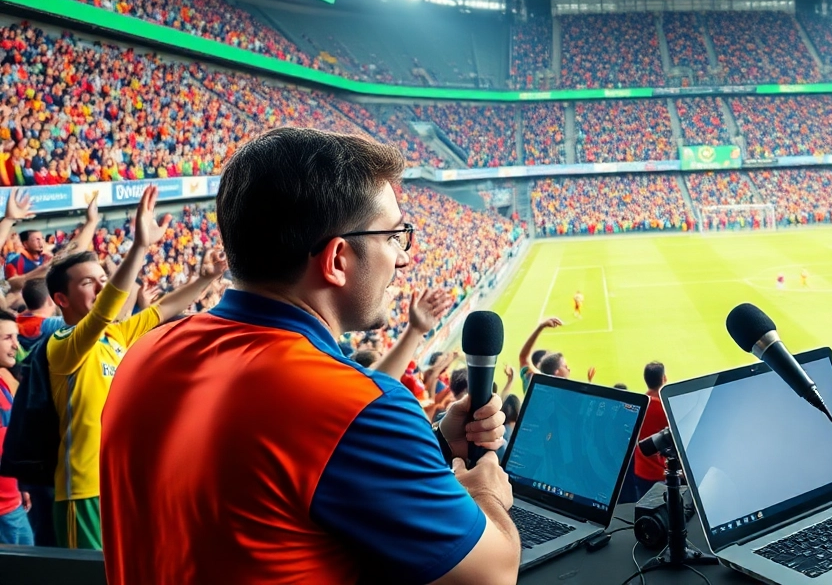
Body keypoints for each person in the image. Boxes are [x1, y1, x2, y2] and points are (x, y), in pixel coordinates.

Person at [101, 128, 520, 584]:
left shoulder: (145, 353)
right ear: (337, 258)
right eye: (394, 236)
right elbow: (492, 574)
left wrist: (435, 445)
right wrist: (487, 494)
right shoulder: (354, 404)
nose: (402, 258)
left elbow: (255, 490)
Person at [46, 186, 226, 549]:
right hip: (83, 490)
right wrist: (140, 247)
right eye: (88, 282)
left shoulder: (116, 337)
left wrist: (205, 279)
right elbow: (105, 309)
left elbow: (161, 310)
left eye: (103, 278)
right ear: (61, 299)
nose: (101, 286)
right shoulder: (62, 345)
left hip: (120, 483)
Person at [0, 308, 32, 545]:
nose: (16, 347)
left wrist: (19, 484)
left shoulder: (3, 382)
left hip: (12, 500)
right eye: (7, 338)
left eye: (17, 337)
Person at [626, 361, 670, 502]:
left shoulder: (638, 406)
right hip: (660, 474)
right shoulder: (665, 410)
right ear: (664, 379)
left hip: (640, 471)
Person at [517, 316, 562, 389]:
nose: (569, 369)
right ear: (556, 372)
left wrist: (541, 327)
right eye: (565, 366)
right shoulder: (561, 394)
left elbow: (523, 357)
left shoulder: (530, 385)